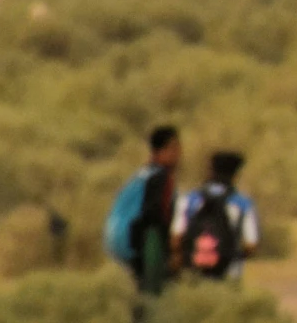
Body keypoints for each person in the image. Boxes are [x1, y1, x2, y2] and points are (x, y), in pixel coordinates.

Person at [108, 125, 182, 297]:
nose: (178, 154)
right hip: (145, 240)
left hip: (121, 242)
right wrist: (170, 251)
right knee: (152, 294)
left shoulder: (141, 174)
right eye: (174, 148)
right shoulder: (162, 177)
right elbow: (157, 215)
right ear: (161, 151)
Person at [173, 150, 258, 282]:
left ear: (211, 172)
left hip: (193, 272)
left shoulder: (189, 199)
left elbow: (176, 237)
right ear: (235, 175)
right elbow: (251, 245)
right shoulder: (243, 203)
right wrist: (231, 256)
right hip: (229, 274)